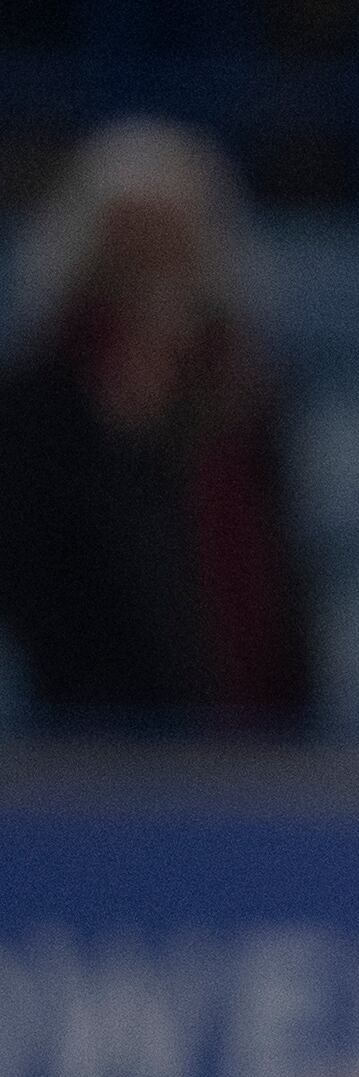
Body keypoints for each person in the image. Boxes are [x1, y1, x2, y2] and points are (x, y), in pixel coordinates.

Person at [0, 118, 312, 722]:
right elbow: (43, 582)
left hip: (252, 725)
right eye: (132, 245)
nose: (152, 270)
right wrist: (124, 440)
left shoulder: (241, 383)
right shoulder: (40, 393)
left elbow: (281, 564)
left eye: (171, 243)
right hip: (99, 731)